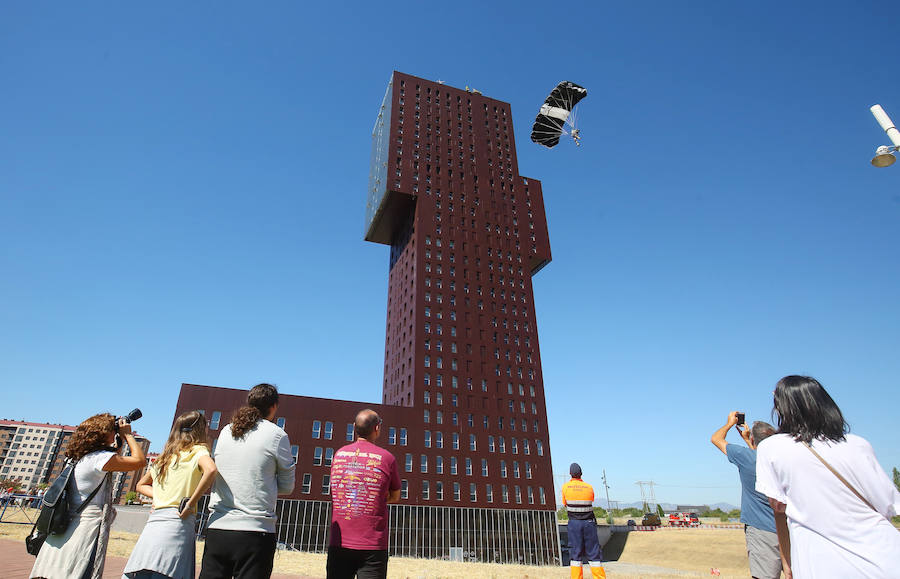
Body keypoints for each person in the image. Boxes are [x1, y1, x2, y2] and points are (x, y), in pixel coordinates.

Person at [756, 375, 900, 578]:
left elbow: (778, 505)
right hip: (886, 557)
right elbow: (887, 504)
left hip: (822, 562)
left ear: (783, 407)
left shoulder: (771, 447)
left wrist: (787, 562)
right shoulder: (859, 444)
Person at [30, 413, 146, 579]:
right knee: (77, 570)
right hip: (83, 528)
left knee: (53, 572)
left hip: (63, 525)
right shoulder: (99, 460)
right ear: (103, 434)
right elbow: (140, 461)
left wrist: (117, 439)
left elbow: (114, 458)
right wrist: (127, 434)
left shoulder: (79, 458)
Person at [199, 384, 295, 579]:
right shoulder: (277, 435)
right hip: (255, 530)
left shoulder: (226, 431)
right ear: (274, 406)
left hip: (218, 527)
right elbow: (287, 487)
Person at [123, 410, 218, 579]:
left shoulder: (165, 456)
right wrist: (190, 503)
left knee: (141, 571)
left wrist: (160, 498)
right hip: (178, 522)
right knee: (168, 572)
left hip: (154, 523)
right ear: (200, 429)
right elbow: (211, 470)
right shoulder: (198, 451)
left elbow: (140, 485)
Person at [326, 409, 400, 579]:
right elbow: (395, 496)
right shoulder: (387, 458)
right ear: (377, 428)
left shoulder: (339, 455)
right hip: (372, 545)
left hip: (339, 541)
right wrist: (376, 498)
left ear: (354, 428)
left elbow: (336, 491)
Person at [710, 412, 783, 579]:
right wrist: (748, 440)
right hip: (788, 529)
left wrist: (729, 424)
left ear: (753, 441)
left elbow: (716, 438)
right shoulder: (779, 462)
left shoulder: (747, 458)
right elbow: (761, 457)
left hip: (761, 531)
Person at [561, 463, 605, 579]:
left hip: (574, 524)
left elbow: (565, 503)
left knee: (575, 555)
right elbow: (592, 499)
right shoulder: (589, 487)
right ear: (581, 473)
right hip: (589, 523)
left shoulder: (565, 487)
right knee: (594, 554)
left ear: (570, 474)